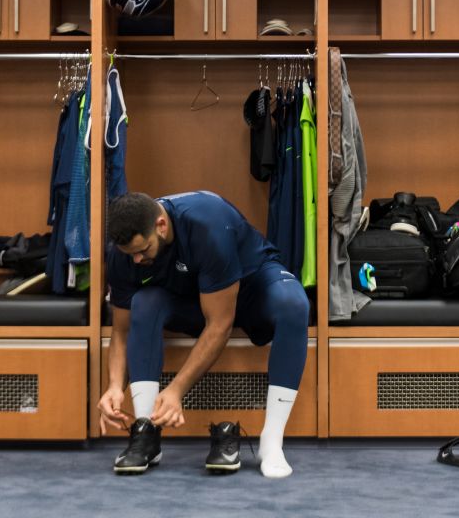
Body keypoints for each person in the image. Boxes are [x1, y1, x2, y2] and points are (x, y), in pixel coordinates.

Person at [97, 191, 310, 478]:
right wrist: (114, 386)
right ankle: (146, 435)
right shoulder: (124, 256)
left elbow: (220, 325)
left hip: (252, 284)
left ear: (161, 225)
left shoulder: (207, 224)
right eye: (130, 254)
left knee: (294, 305)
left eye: (143, 250)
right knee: (143, 303)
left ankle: (271, 441)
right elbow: (121, 331)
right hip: (194, 294)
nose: (136, 260)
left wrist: (175, 390)